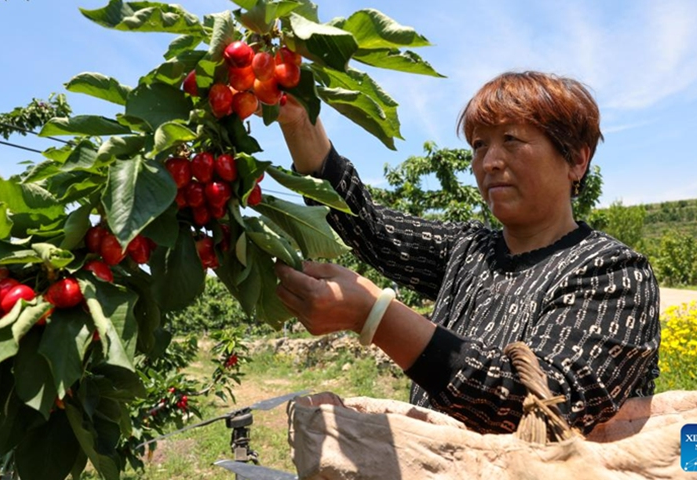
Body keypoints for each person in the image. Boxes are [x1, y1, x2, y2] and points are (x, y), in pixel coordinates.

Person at [272, 71, 660, 435]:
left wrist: (376, 317)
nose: (489, 162)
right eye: (479, 145)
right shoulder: (469, 251)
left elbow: (544, 411)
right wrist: (298, 121)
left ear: (577, 159)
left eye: (512, 139)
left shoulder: (613, 273)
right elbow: (371, 228)